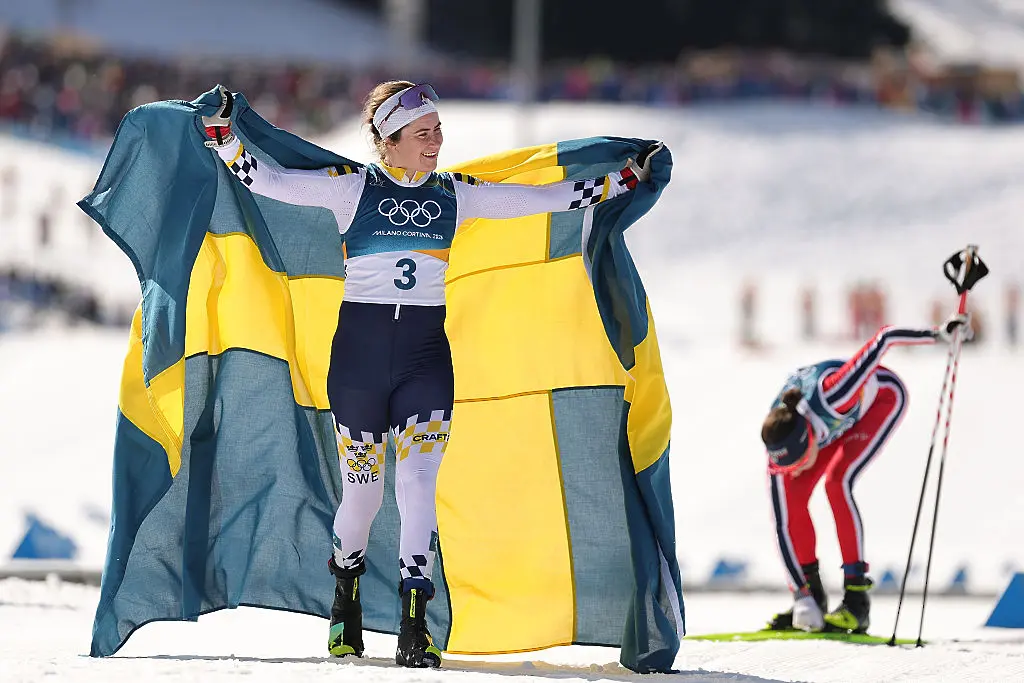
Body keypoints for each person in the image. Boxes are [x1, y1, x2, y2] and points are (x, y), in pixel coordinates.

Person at [200, 82, 663, 667]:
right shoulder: (353, 190)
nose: (436, 143)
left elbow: (540, 198)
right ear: (387, 142)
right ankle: (346, 595)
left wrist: (623, 181)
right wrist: (221, 136)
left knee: (419, 485)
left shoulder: (456, 195)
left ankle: (414, 622)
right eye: (423, 134)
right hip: (359, 366)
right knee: (363, 496)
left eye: (439, 131)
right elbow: (271, 182)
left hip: (424, 362)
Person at [760, 314, 971, 634]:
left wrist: (940, 334)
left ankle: (857, 602)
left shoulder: (835, 392)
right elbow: (782, 524)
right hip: (834, 426)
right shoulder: (779, 447)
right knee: (793, 494)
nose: (797, 469)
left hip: (881, 401)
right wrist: (801, 595)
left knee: (836, 483)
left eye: (800, 461)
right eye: (787, 466)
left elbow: (883, 338)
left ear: (809, 437)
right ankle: (814, 598)